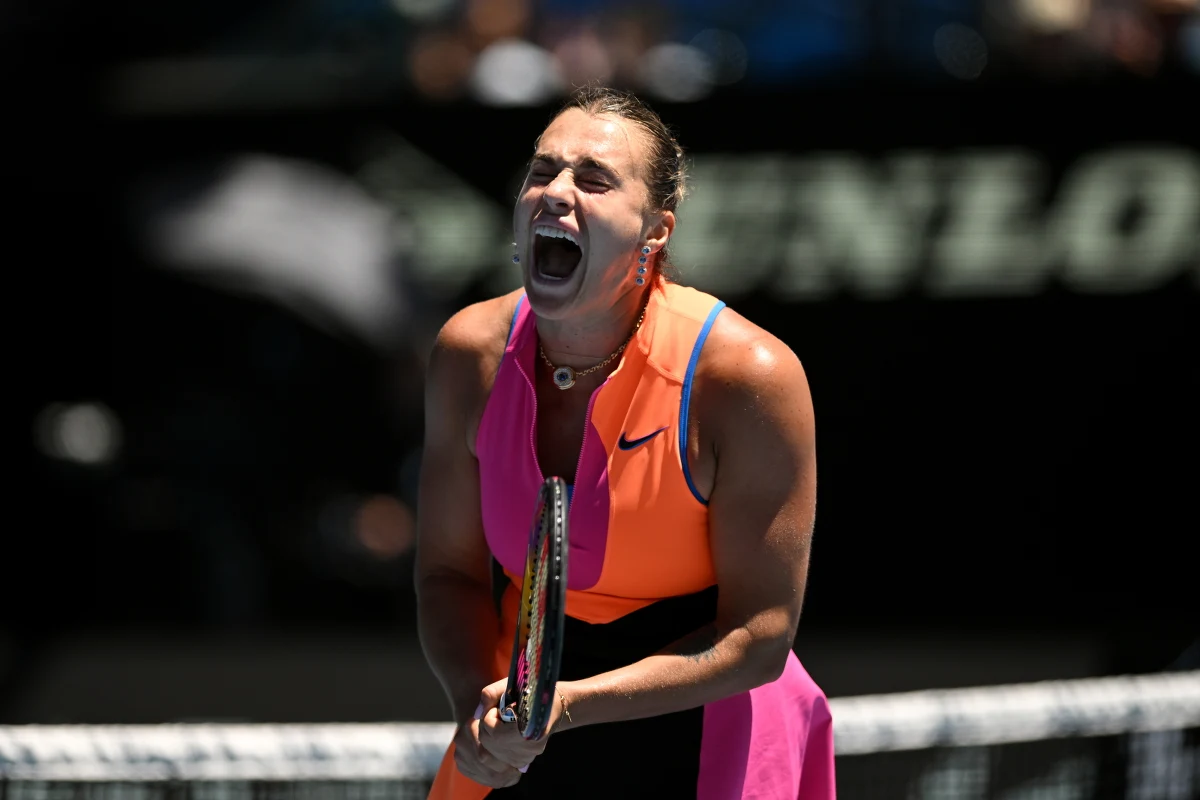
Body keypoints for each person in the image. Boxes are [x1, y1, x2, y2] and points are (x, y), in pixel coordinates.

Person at [416, 85, 834, 799]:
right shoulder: (467, 353)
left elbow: (760, 634)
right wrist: (476, 710)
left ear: (655, 231)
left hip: (714, 728)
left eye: (595, 179)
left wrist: (568, 703)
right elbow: (449, 574)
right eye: (542, 170)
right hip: (523, 734)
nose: (555, 192)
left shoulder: (747, 377)